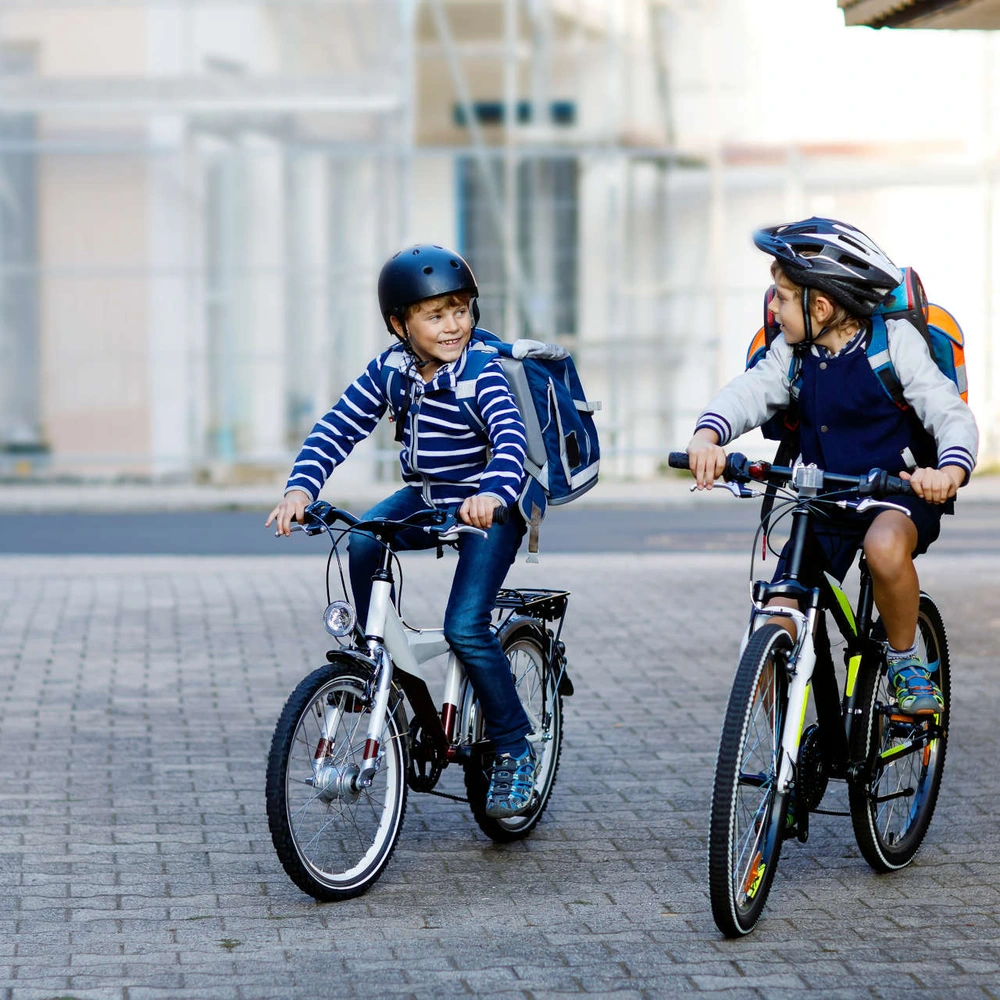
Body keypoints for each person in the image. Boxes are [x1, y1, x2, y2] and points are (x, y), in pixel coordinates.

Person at [266, 243, 537, 818]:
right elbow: (339, 425)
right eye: (435, 315)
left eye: (460, 310)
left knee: (466, 626)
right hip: (427, 497)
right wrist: (300, 489)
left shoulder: (482, 373)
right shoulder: (391, 371)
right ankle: (375, 656)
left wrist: (492, 494)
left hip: (490, 506)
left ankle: (515, 747)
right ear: (399, 325)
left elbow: (511, 440)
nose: (453, 325)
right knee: (363, 537)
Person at [685, 217, 978, 715]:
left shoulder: (893, 345)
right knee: (776, 612)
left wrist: (947, 472)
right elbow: (748, 392)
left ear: (820, 307)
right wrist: (707, 436)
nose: (772, 309)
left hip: (899, 494)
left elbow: (949, 413)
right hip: (823, 499)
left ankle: (906, 660)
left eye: (781, 298)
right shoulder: (792, 354)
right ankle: (778, 738)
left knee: (883, 548)